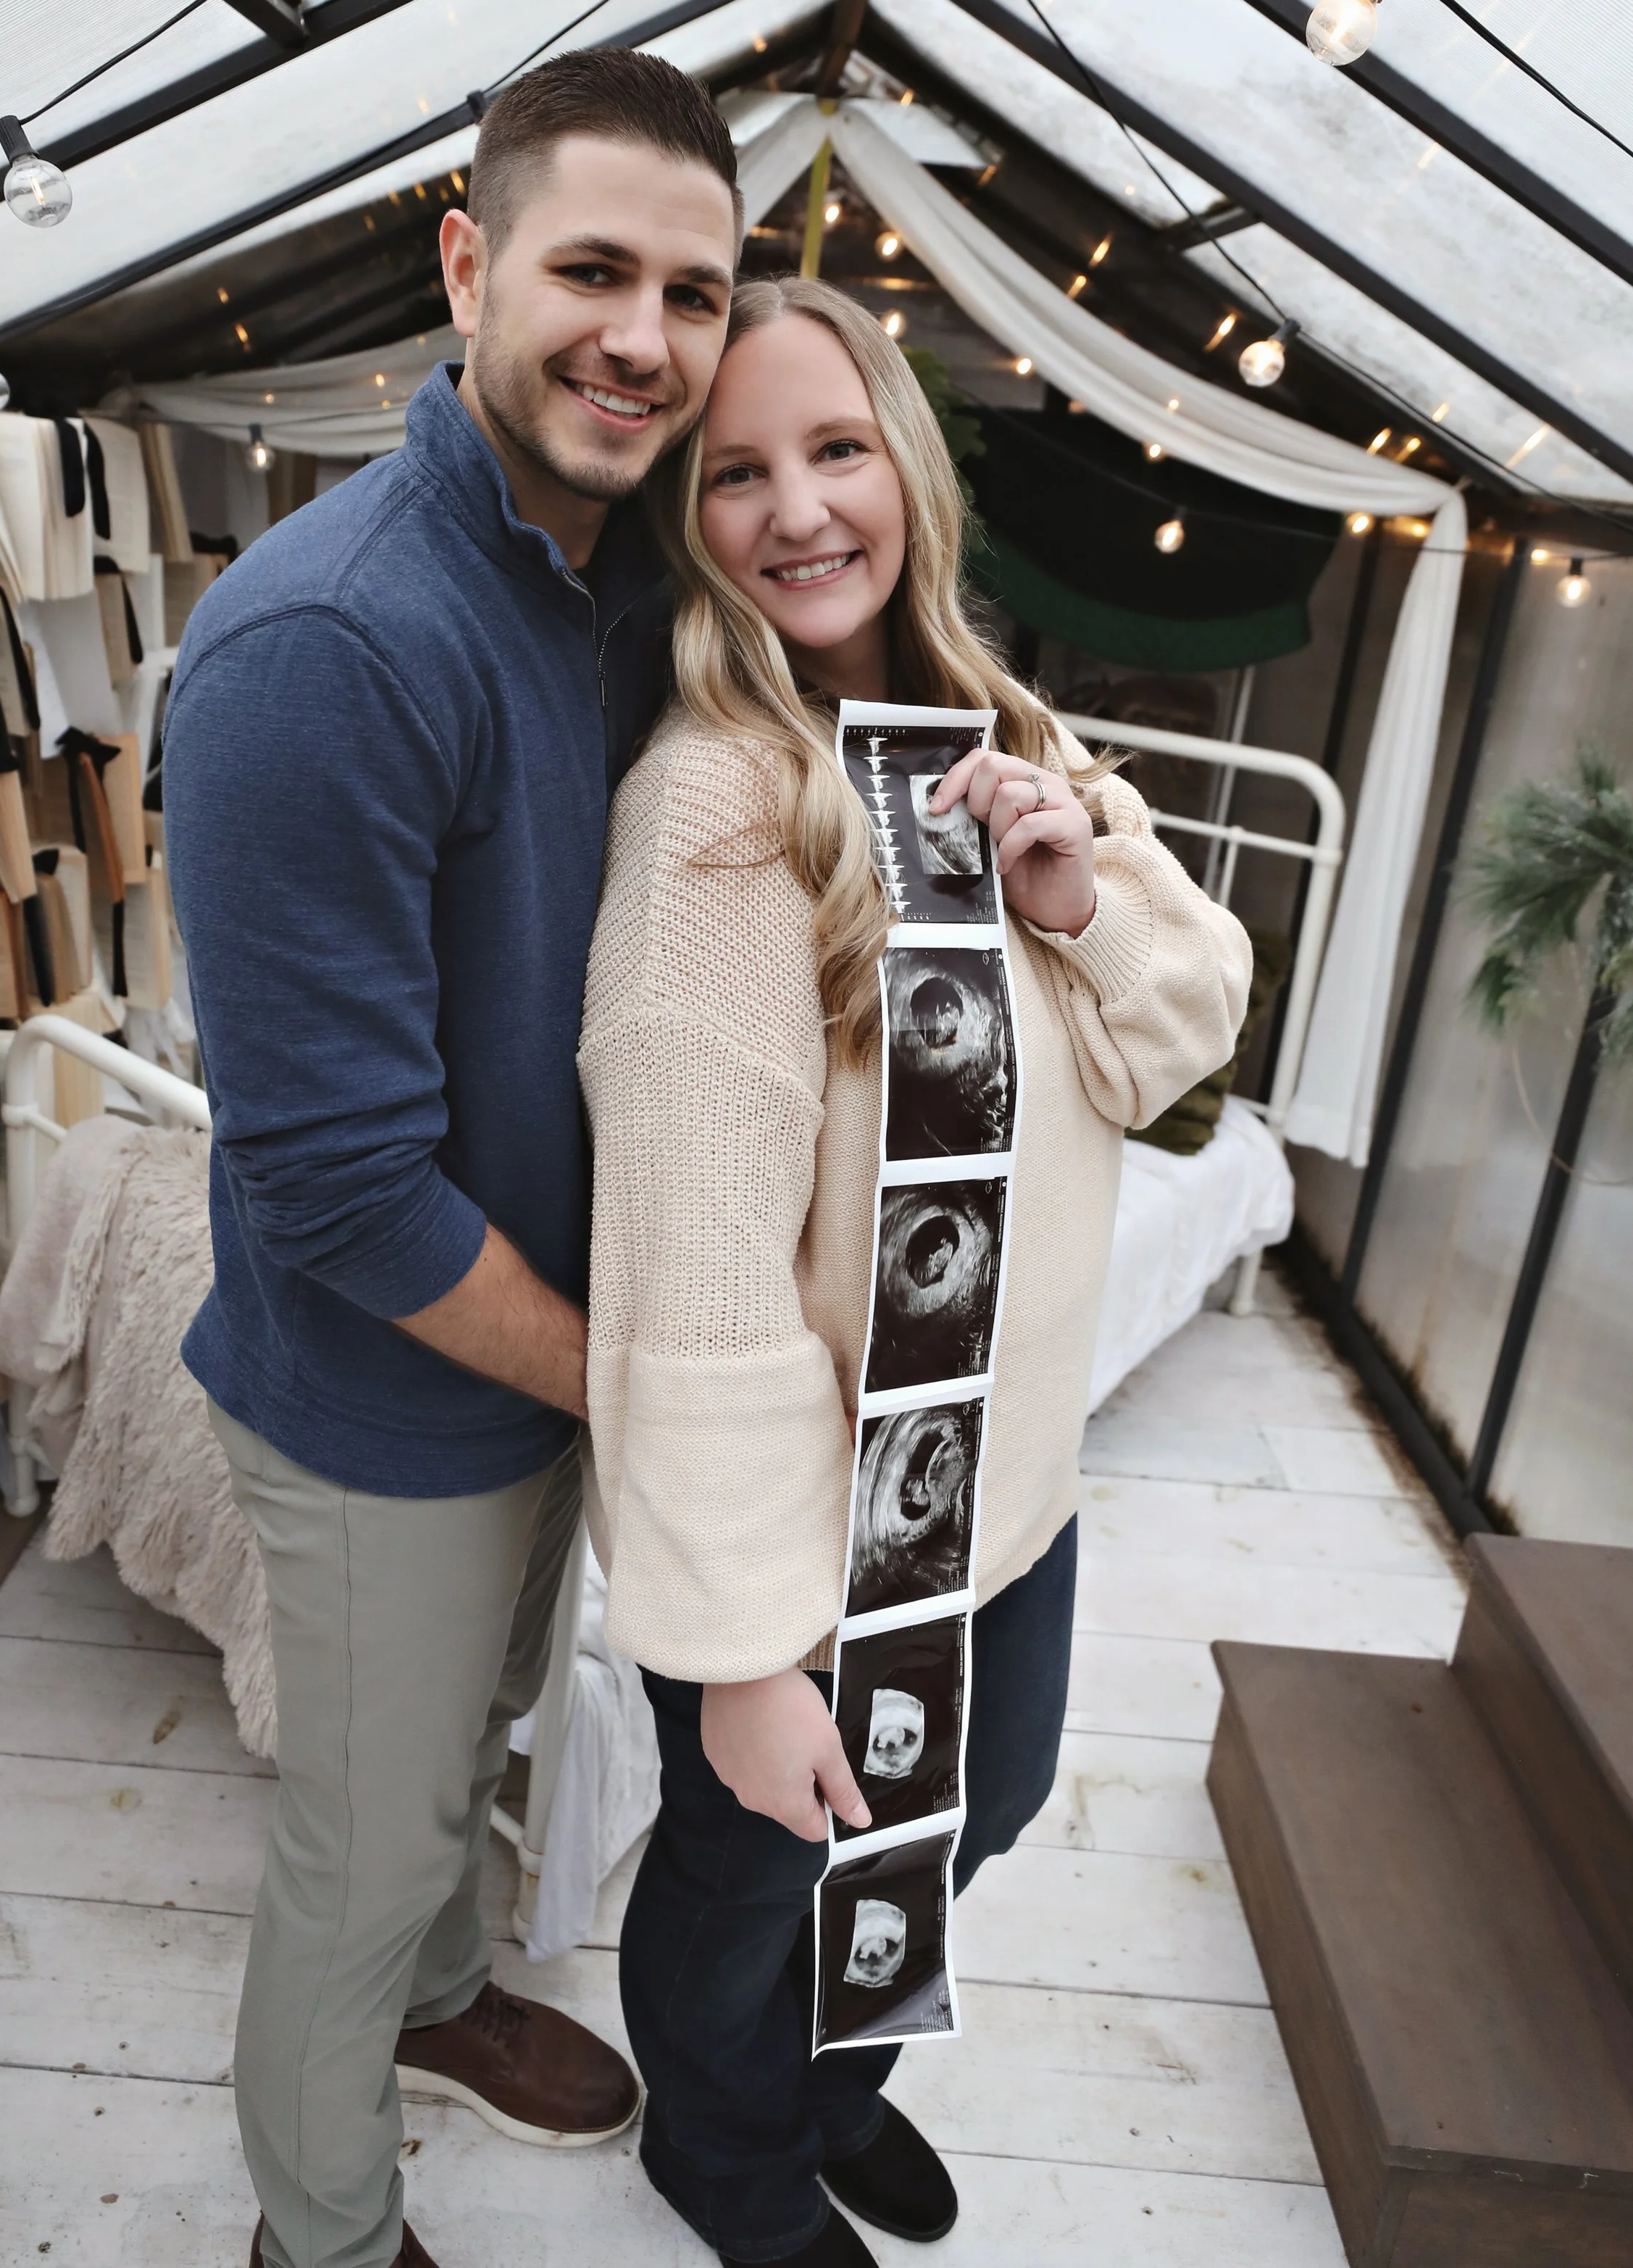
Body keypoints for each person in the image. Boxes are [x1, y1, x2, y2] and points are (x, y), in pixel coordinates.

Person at [579, 277, 1251, 2267]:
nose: (796, 508)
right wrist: (740, 1650)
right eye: (736, 472)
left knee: (990, 1801)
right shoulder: (714, 813)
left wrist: (1074, 890)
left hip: (1005, 1485)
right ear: (684, 519)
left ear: (908, 472)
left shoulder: (993, 729)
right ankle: (723, 2149)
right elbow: (689, 1270)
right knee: (749, 1873)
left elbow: (1177, 1031)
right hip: (814, 1530)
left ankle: (822, 2090)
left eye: (837, 447)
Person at [161, 47, 742, 2268]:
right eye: (591, 269)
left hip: (545, 1357)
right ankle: (318, 2226)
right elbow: (334, 1187)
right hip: (402, 1383)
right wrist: (635, 1379)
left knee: (483, 1738)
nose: (643, 337)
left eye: (690, 293)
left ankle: (439, 1999)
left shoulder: (610, 582)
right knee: (363, 1833)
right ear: (466, 263)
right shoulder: (329, 636)